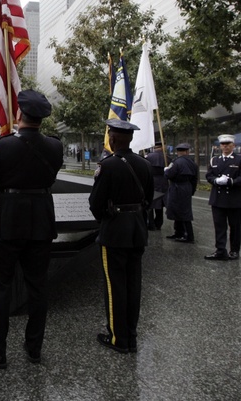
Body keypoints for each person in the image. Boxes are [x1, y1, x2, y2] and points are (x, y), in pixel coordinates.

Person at [0, 90, 64, 368]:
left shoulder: (4, 146)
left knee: (1, 287)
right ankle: (34, 348)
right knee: (38, 287)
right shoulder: (55, 147)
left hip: (8, 222)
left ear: (19, 115)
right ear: (41, 119)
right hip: (41, 221)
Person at [88, 118, 153, 354]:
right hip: (137, 230)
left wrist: (105, 218)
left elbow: (95, 203)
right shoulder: (144, 164)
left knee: (115, 285)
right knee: (133, 284)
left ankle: (118, 338)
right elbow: (148, 197)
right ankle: (131, 335)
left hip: (115, 231)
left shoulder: (108, 166)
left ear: (112, 139)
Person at [204, 134, 241, 261]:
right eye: (223, 144)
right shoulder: (214, 160)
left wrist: (231, 182)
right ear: (220, 146)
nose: (225, 146)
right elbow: (208, 175)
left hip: (234, 198)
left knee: (235, 226)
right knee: (219, 226)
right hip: (218, 198)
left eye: (228, 144)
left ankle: (234, 250)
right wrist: (215, 180)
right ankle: (220, 250)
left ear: (233, 146)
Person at [164, 143, 198, 242]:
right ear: (187, 152)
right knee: (183, 210)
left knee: (179, 210)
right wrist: (192, 190)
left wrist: (166, 171)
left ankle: (186, 235)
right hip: (187, 187)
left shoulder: (176, 162)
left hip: (177, 187)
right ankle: (180, 233)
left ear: (178, 152)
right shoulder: (192, 163)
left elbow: (169, 175)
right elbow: (195, 179)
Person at [145, 142, 168, 231]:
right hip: (163, 182)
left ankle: (150, 224)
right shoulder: (166, 157)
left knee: (150, 203)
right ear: (161, 147)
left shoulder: (149, 156)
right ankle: (158, 223)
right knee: (160, 205)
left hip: (152, 181)